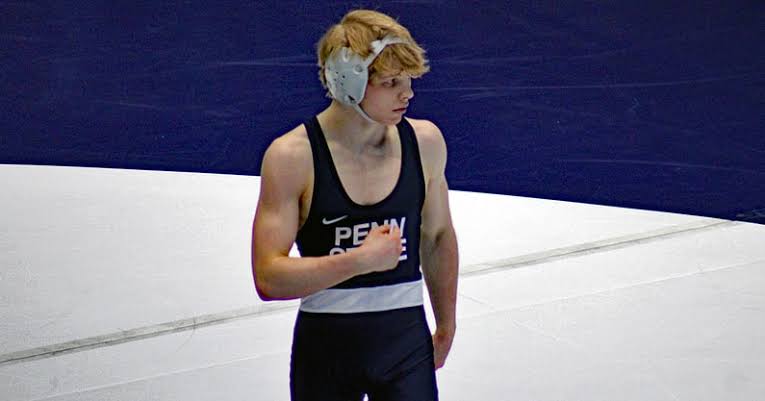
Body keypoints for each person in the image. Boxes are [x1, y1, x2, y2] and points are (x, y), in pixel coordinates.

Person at [251, 9, 458, 401]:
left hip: (405, 346)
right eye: (391, 83)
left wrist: (446, 324)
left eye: (409, 81)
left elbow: (437, 236)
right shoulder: (292, 157)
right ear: (349, 81)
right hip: (326, 352)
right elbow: (268, 277)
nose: (407, 94)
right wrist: (359, 260)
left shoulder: (425, 143)